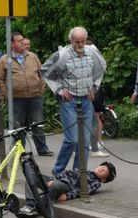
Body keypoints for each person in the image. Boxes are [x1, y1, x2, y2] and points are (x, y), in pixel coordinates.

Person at [41, 26, 106, 173]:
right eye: (77, 42)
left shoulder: (92, 53)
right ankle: (57, 170)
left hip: (86, 100)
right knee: (72, 140)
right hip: (69, 101)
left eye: (82, 41)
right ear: (71, 40)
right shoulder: (61, 55)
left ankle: (79, 173)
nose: (80, 45)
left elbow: (100, 70)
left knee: (84, 141)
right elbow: (45, 71)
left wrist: (94, 87)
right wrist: (59, 90)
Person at [0, 32, 53, 156]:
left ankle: (42, 149)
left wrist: (41, 89)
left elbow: (41, 73)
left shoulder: (32, 56)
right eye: (19, 41)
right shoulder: (5, 59)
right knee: (18, 125)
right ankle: (19, 151)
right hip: (16, 98)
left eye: (23, 40)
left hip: (35, 95)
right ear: (12, 43)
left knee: (38, 123)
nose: (22, 43)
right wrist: (6, 94)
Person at [18, 161, 116, 217]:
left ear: (103, 179)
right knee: (31, 178)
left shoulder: (96, 183)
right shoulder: (86, 171)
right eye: (102, 166)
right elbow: (66, 172)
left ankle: (38, 206)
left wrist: (67, 196)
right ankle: (30, 206)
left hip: (66, 186)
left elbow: (82, 190)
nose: (101, 168)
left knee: (54, 186)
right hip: (54, 179)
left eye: (104, 171)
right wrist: (53, 178)